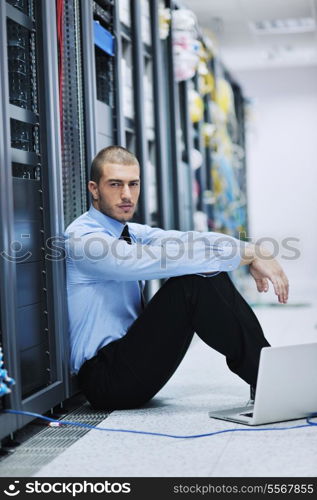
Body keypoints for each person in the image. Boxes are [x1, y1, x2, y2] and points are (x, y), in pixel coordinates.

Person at [64, 145, 289, 410]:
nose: (126, 195)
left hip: (130, 359)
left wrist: (252, 250)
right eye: (115, 184)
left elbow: (188, 240)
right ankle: (274, 381)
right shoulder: (83, 240)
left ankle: (271, 378)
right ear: (94, 189)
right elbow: (157, 260)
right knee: (192, 283)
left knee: (203, 272)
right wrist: (246, 256)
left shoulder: (130, 231)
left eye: (133, 184)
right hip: (105, 379)